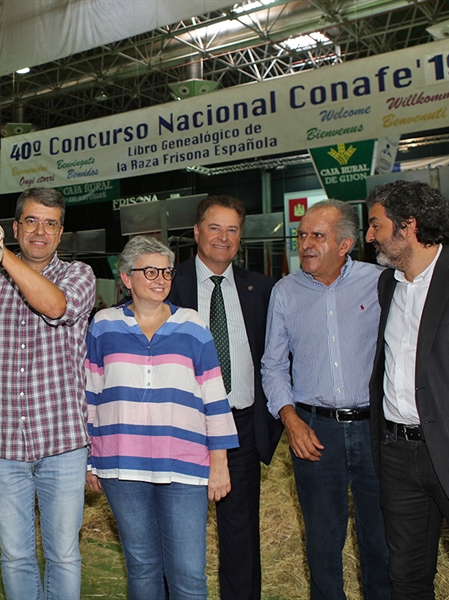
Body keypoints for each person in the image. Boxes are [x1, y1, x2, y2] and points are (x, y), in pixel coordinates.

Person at [0, 187, 96, 600]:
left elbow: (54, 308)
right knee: (15, 557)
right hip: (2, 445)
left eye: (50, 224)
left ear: (60, 232)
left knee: (64, 555)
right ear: (16, 227)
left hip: (63, 444)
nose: (40, 231)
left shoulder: (77, 275)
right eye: (31, 221)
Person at [85, 235, 238, 600]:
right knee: (142, 567)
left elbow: (214, 397)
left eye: (166, 272)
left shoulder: (193, 324)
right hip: (122, 465)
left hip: (184, 465)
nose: (160, 278)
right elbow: (90, 396)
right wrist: (91, 460)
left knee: (188, 574)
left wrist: (219, 463)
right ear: (126, 278)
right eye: (149, 271)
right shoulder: (103, 325)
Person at [262, 199, 391, 600]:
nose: (305, 244)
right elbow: (273, 365)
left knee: (382, 541)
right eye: (301, 235)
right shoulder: (285, 291)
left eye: (317, 235)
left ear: (346, 243)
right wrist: (290, 418)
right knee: (321, 543)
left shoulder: (381, 282)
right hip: (313, 432)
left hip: (376, 431)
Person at [167, 195, 281, 600]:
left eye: (232, 229)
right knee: (179, 537)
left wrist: (270, 423)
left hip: (242, 429)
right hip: (183, 432)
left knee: (241, 536)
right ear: (197, 232)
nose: (223, 237)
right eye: (214, 228)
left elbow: (277, 357)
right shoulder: (167, 283)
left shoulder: (262, 289)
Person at [365, 180, 449, 599]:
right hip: (398, 454)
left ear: (408, 225)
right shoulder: (388, 285)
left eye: (376, 225)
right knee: (407, 576)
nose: (369, 236)